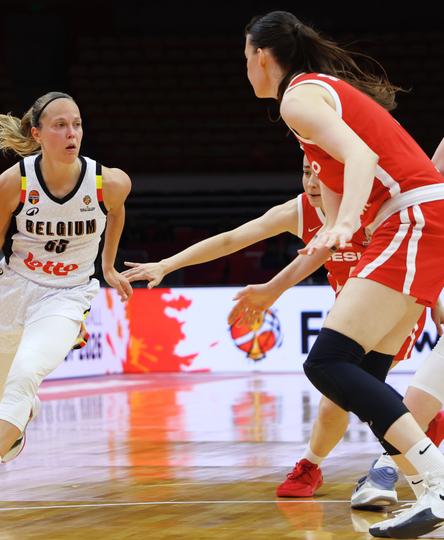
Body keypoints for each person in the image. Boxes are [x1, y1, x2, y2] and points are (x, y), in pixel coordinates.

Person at [123, 157, 441, 506]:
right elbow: (233, 239)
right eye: (307, 172)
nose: (313, 182)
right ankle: (411, 430)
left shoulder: (371, 207)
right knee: (339, 393)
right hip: (350, 313)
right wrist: (167, 264)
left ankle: (318, 464)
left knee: (336, 394)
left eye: (322, 173)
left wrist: (435, 301)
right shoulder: (300, 211)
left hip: (394, 310)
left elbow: (420, 249)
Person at [242, 12, 444, 537]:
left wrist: (350, 220)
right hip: (414, 221)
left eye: (245, 58)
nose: (246, 69)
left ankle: (438, 482)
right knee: (364, 374)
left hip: (412, 216)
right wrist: (327, 237)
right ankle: (427, 490)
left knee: (328, 362)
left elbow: (362, 154)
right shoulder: (316, 104)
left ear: (262, 56)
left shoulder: (299, 96)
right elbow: (329, 227)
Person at [0, 92, 132, 519]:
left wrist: (108, 265)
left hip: (67, 294)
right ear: (37, 133)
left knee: (26, 374)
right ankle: (18, 423)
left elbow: (115, 214)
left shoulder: (109, 182)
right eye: (61, 125)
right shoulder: (14, 183)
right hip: (13, 289)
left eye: (77, 124)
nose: (72, 133)